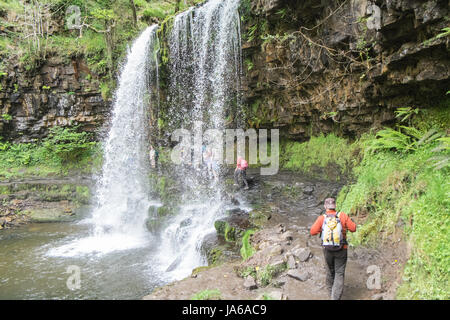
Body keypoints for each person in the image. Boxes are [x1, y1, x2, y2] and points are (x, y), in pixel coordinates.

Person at [310, 198, 356, 300]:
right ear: (335, 206)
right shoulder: (342, 215)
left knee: (330, 272)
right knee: (339, 273)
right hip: (342, 249)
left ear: (325, 207)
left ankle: (330, 294)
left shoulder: (322, 218)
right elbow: (353, 228)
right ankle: (335, 298)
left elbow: (312, 232)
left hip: (327, 250)